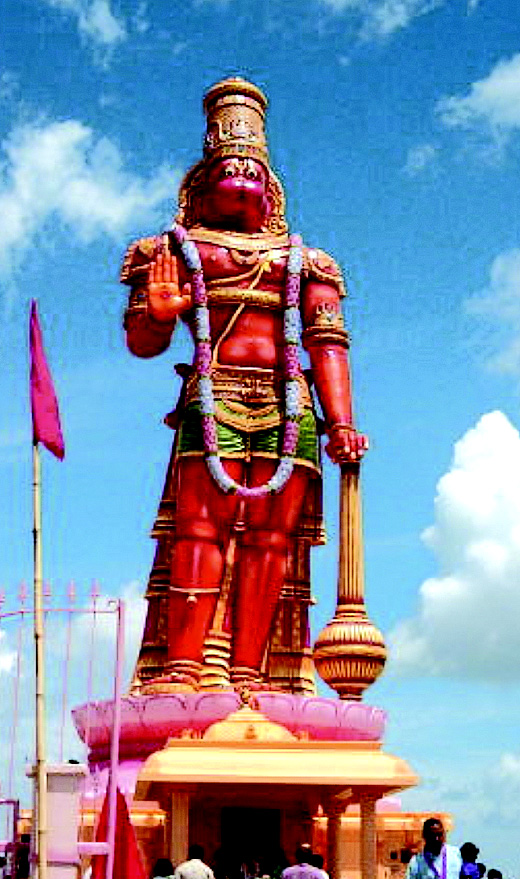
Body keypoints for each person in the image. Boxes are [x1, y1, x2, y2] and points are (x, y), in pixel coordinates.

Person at [121, 76, 367, 693]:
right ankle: (183, 665)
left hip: (290, 407)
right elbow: (142, 343)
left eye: (251, 169)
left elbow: (328, 344)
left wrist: (341, 422)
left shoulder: (306, 261)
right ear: (200, 184)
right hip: (214, 396)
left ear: (271, 187)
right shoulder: (171, 250)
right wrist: (159, 314)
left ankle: (251, 673)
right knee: (198, 531)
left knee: (271, 541)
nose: (240, 177)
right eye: (227, 168)